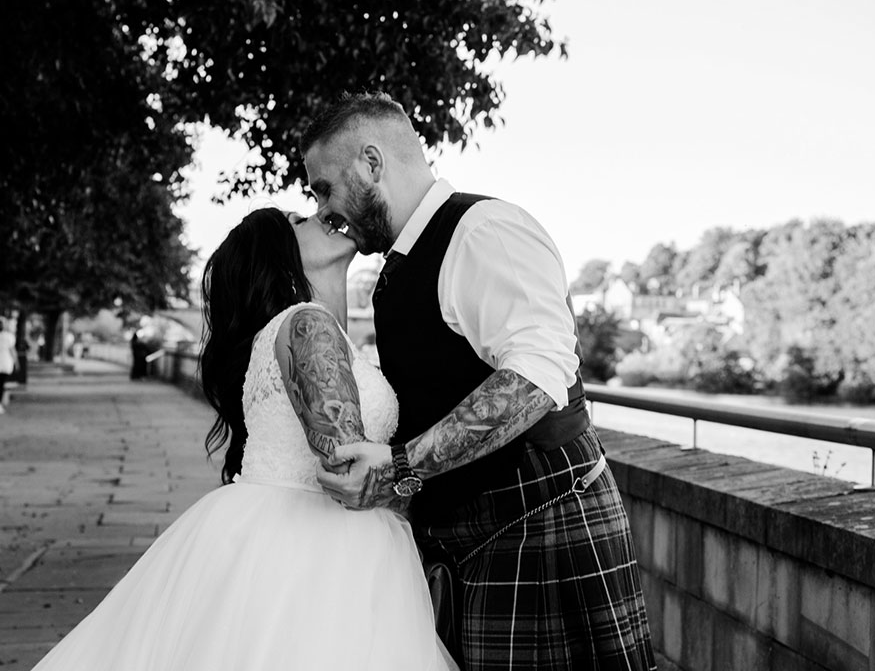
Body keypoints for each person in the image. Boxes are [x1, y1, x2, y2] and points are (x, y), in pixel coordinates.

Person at [306, 92, 657, 671]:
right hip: (475, 545)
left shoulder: (483, 231)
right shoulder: (402, 265)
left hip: (544, 526)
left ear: (372, 164)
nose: (323, 210)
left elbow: (537, 376)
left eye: (324, 187)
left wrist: (399, 467)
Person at [32, 208, 457, 670]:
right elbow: (349, 464)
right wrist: (428, 477)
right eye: (299, 221)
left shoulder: (301, 329)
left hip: (289, 534)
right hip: (316, 549)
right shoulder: (306, 324)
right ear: (279, 255)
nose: (321, 216)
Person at [0, 319, 17, 413]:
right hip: (5, 364)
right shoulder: (9, 337)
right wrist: (16, 362)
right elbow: (12, 351)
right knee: (1, 383)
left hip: (3, 363)